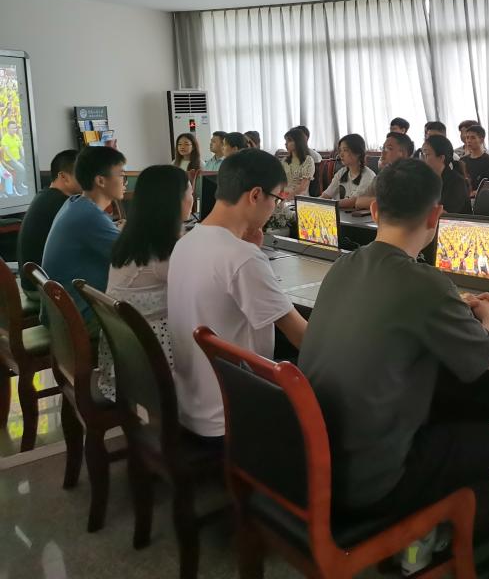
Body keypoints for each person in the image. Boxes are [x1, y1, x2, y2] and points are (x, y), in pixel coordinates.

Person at [298, 159, 489, 578]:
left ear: (375, 210)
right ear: (436, 216)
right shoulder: (426, 284)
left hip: (320, 463)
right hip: (376, 479)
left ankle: (421, 540)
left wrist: (448, 307)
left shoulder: (344, 266)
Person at [167, 149, 307, 439]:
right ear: (256, 195)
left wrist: (250, 251)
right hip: (233, 416)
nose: (275, 208)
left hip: (190, 407)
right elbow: (302, 337)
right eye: (276, 199)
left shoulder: (186, 242)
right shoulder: (241, 257)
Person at [95, 165, 193, 401]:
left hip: (123, 357)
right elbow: (199, 289)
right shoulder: (162, 252)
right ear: (173, 201)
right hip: (148, 368)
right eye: (190, 193)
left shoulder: (135, 237)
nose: (193, 199)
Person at [41, 146, 126, 337]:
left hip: (61, 313)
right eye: (121, 175)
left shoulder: (75, 204)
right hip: (78, 319)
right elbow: (134, 258)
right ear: (101, 180)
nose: (124, 181)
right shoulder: (89, 216)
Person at [17, 149, 81, 295]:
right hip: (43, 291)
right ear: (63, 176)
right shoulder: (61, 204)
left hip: (33, 283)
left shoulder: (46, 196)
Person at [352, 132, 414, 210]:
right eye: (383, 148)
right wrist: (386, 201)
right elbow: (359, 202)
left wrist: (376, 201)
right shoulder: (382, 176)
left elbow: (400, 203)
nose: (383, 153)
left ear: (403, 154)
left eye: (389, 148)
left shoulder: (412, 177)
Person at [421, 135, 471, 214]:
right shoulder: (426, 179)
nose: (423, 159)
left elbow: (446, 213)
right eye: (422, 154)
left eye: (427, 155)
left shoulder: (456, 182)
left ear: (441, 158)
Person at [324, 133, 376, 205]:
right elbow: (326, 195)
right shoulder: (341, 172)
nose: (341, 154)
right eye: (340, 150)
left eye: (345, 150)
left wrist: (328, 205)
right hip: (339, 210)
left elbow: (353, 201)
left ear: (358, 153)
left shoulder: (368, 175)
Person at [461, 124, 489, 195]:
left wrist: (476, 192)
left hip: (481, 196)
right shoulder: (462, 160)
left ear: (482, 140)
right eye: (467, 138)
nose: (469, 141)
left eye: (473, 138)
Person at [281, 126, 315, 199]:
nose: (286, 144)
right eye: (286, 141)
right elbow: (280, 183)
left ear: (298, 142)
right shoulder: (284, 161)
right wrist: (280, 197)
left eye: (289, 141)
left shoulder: (308, 160)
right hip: (284, 196)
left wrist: (287, 198)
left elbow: (303, 187)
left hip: (300, 198)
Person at [1, 120, 26, 193]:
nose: (14, 130)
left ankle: (21, 182)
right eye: (12, 128)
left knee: (28, 165)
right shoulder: (5, 138)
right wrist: (16, 162)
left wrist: (24, 156)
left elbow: (21, 147)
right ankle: (17, 185)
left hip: (18, 158)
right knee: (22, 169)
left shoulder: (16, 136)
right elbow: (7, 152)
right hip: (10, 160)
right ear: (8, 129)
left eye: (15, 128)